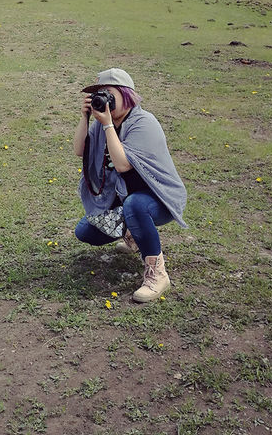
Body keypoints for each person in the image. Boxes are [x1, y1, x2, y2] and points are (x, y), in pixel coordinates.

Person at [72, 68, 188, 302]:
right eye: (99, 94)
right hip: (123, 198)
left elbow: (123, 164)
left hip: (158, 199)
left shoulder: (144, 123)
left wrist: (107, 126)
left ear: (126, 94)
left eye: (108, 93)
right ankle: (134, 234)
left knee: (136, 205)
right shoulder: (102, 122)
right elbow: (79, 150)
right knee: (85, 231)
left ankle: (158, 274)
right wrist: (85, 118)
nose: (104, 99)